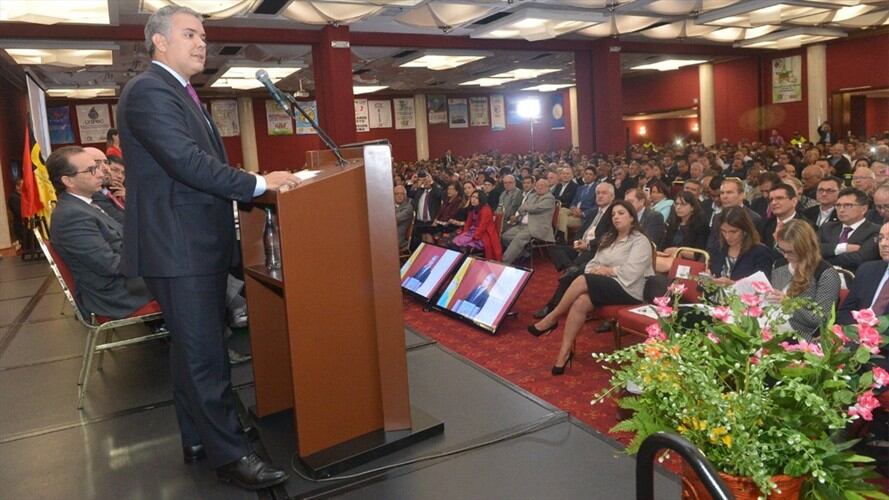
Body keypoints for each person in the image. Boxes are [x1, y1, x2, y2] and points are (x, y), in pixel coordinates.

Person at [117, 5, 299, 489]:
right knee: (205, 356)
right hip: (179, 248)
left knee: (190, 351)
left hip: (188, 244)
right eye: (191, 34)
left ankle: (198, 437)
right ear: (159, 41)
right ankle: (231, 457)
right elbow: (187, 163)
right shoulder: (151, 91)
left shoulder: (179, 92)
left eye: (204, 35)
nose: (202, 43)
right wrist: (259, 182)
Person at [528, 201, 653, 375]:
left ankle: (552, 317)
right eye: (613, 214)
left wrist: (607, 271)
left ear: (632, 217)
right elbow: (593, 263)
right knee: (581, 301)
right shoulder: (609, 238)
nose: (616, 217)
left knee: (582, 280)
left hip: (630, 289)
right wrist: (596, 270)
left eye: (621, 213)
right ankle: (563, 354)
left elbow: (632, 272)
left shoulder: (640, 241)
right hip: (607, 284)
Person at [46, 146, 154, 319]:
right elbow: (111, 265)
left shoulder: (84, 205)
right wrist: (155, 260)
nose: (100, 174)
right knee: (191, 276)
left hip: (124, 282)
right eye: (91, 170)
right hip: (116, 294)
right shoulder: (72, 216)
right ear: (68, 181)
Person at [769, 220, 841, 341]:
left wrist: (789, 303)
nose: (785, 256)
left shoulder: (826, 273)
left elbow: (820, 320)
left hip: (801, 337)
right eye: (781, 250)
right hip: (772, 328)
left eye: (790, 252)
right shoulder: (779, 266)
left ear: (805, 248)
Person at [818, 187, 879, 273]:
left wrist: (823, 258)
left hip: (855, 279)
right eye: (838, 205)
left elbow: (859, 259)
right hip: (824, 277)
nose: (841, 210)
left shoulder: (875, 231)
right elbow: (813, 250)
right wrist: (843, 248)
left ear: (863, 209)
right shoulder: (827, 228)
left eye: (848, 205)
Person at [708, 207, 774, 284]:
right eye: (723, 231)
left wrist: (732, 284)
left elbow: (762, 286)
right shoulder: (717, 248)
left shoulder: (761, 253)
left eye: (733, 232)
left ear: (745, 230)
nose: (727, 236)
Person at [501, 178, 556, 265]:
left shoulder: (549, 198)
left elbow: (536, 209)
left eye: (542, 186)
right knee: (505, 237)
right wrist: (527, 207)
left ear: (547, 187)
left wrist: (527, 207)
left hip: (536, 227)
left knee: (518, 239)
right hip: (522, 224)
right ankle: (524, 254)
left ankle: (505, 262)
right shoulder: (532, 195)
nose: (539, 187)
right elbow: (521, 208)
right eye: (537, 186)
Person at [656, 191, 709, 273]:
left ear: (692, 207)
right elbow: (663, 246)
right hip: (669, 259)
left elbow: (698, 254)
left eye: (683, 204)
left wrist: (679, 251)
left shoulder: (700, 225)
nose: (678, 207)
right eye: (676, 204)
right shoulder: (673, 223)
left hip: (688, 264)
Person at [451, 190, 503, 260]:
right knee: (455, 242)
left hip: (483, 235)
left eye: (476, 198)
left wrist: (473, 238)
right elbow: (468, 224)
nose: (473, 199)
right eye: (473, 197)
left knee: (463, 245)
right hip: (472, 232)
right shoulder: (473, 208)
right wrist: (464, 233)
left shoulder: (486, 210)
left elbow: (482, 227)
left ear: (481, 199)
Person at [394, 185, 414, 251]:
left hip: (398, 239)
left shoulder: (408, 208)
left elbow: (394, 220)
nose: (399, 196)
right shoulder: (389, 205)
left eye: (402, 194)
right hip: (386, 234)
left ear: (405, 196)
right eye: (397, 194)